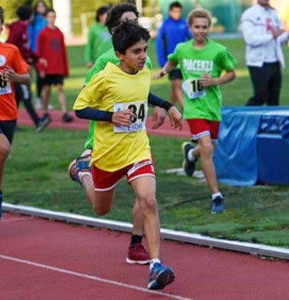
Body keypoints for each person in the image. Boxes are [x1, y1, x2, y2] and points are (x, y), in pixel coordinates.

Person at [74, 21, 179, 290]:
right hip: (108, 154)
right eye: (136, 51)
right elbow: (80, 108)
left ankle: (156, 266)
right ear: (120, 55)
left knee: (149, 201)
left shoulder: (144, 72)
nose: (143, 56)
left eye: (144, 49)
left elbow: (143, 92)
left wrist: (168, 106)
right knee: (101, 208)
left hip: (137, 149)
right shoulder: (105, 76)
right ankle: (82, 172)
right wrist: (111, 116)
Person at [154, 8, 237, 214]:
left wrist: (216, 81)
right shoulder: (183, 48)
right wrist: (164, 70)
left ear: (209, 28)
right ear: (189, 28)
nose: (200, 31)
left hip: (212, 107)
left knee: (210, 148)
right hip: (193, 108)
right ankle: (216, 195)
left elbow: (232, 73)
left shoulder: (218, 51)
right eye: (196, 27)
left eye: (204, 27)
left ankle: (191, 154)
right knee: (208, 148)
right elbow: (173, 59)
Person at [0, 6, 31, 220]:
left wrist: (15, 76)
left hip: (8, 112)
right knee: (2, 148)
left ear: (1, 27)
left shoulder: (11, 51)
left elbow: (27, 78)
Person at [7, 5, 50, 132]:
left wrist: (37, 58)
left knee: (18, 97)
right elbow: (9, 45)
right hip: (17, 68)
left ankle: (11, 124)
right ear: (30, 16)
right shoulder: (18, 28)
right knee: (26, 95)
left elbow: (27, 49)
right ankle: (37, 122)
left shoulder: (24, 28)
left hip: (23, 65)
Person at [240, 0, 288, 106]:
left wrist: (287, 33)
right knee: (260, 96)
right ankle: (245, 118)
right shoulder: (249, 14)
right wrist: (272, 36)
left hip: (275, 61)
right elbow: (250, 39)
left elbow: (279, 39)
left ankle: (273, 122)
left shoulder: (273, 13)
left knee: (274, 99)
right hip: (258, 62)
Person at [37, 8, 73, 123]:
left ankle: (64, 113)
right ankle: (45, 112)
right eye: (50, 17)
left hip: (58, 67)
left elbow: (63, 52)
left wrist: (65, 69)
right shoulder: (42, 34)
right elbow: (39, 53)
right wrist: (41, 69)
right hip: (47, 68)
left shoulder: (59, 33)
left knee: (60, 88)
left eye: (53, 16)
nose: (52, 19)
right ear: (46, 18)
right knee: (46, 90)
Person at [155, 1, 193, 107]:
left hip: (183, 60)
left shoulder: (184, 24)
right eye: (175, 11)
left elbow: (192, 39)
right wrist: (162, 61)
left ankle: (169, 107)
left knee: (176, 87)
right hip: (171, 60)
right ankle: (186, 110)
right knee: (177, 85)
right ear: (170, 12)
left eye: (179, 11)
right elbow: (159, 44)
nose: (177, 13)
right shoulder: (165, 25)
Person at [28, 0, 49, 108]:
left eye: (42, 6)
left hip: (47, 54)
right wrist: (30, 54)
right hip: (36, 53)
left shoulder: (48, 20)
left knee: (47, 77)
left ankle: (45, 99)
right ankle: (38, 99)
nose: (41, 8)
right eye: (39, 6)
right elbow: (30, 37)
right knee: (40, 76)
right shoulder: (33, 21)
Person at [84, 5, 112, 69]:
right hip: (98, 61)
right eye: (107, 15)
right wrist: (88, 60)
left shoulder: (113, 27)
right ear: (100, 16)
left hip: (112, 61)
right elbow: (89, 45)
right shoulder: (93, 28)